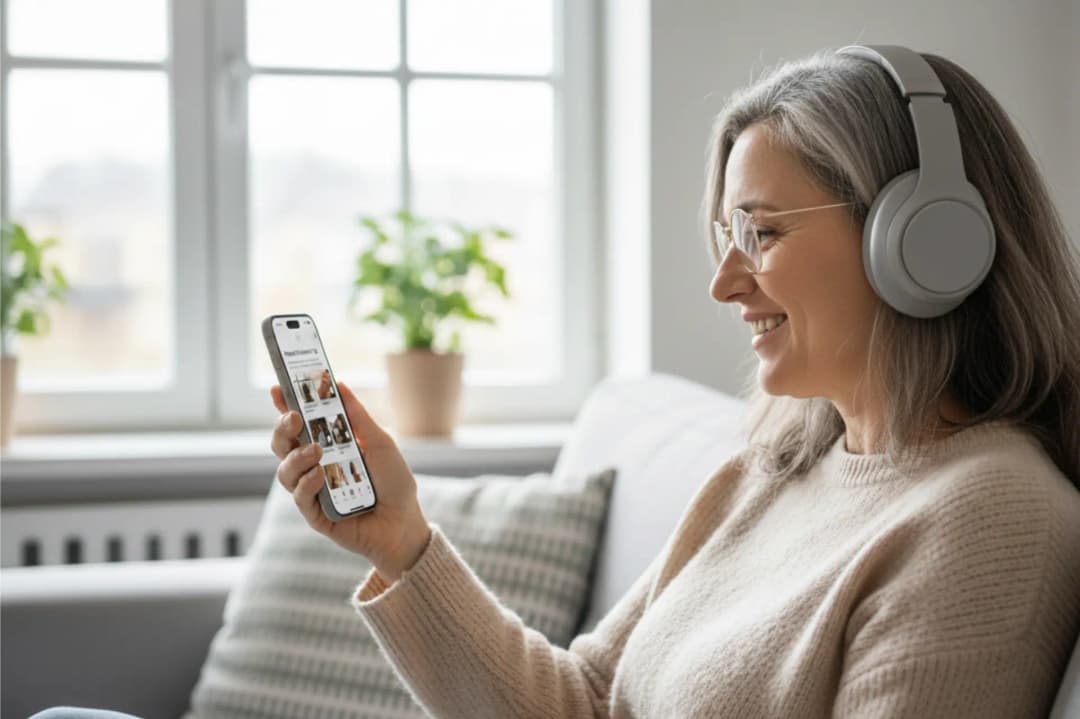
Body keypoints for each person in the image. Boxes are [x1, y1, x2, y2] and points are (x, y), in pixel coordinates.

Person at [37, 44, 1080, 719]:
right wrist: (399, 539)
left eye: (759, 233)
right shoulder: (774, 467)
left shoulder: (988, 514)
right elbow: (582, 700)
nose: (725, 281)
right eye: (727, 235)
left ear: (929, 243)